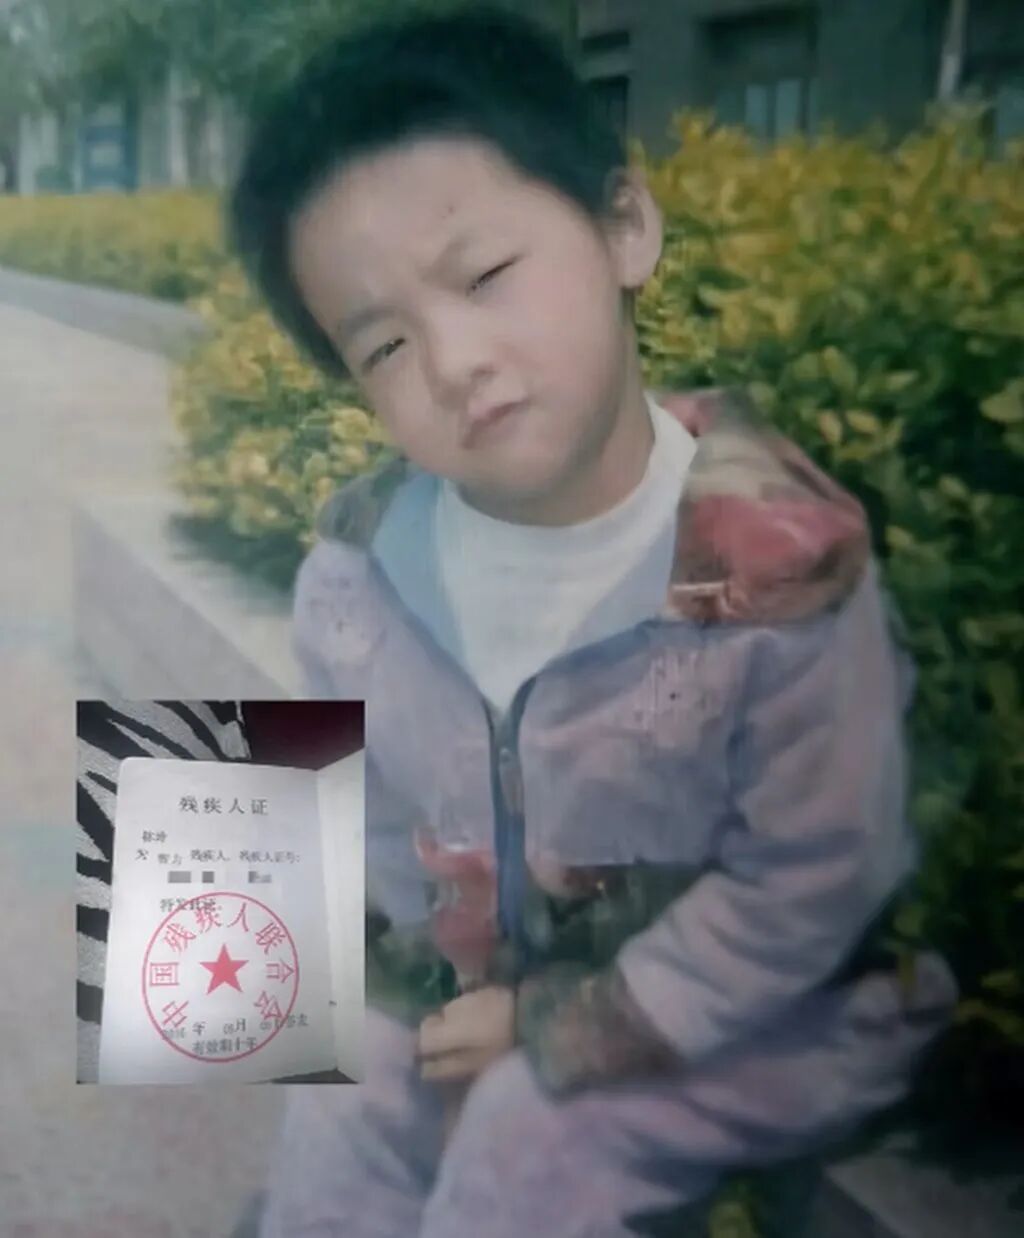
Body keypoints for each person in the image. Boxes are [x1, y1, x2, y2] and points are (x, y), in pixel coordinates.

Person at [227, 6, 957, 1235]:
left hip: (771, 1007)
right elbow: (365, 865)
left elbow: (809, 891)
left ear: (623, 229)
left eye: (487, 275)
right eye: (384, 343)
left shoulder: (779, 574)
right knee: (335, 1105)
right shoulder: (352, 576)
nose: (455, 358)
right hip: (485, 973)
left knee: (525, 1135)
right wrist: (409, 1003)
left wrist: (546, 1029)